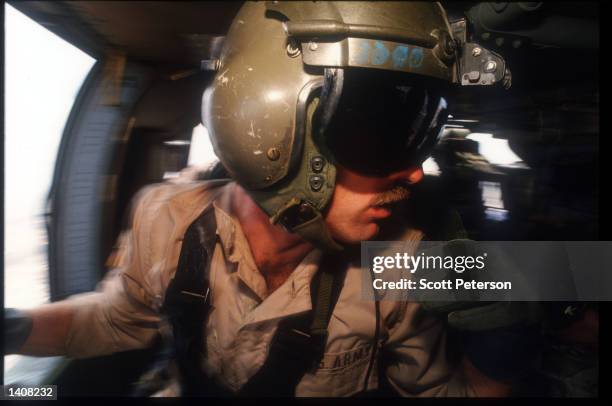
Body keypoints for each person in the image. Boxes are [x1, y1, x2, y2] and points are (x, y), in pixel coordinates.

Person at [5, 1, 532, 397]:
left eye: (421, 132)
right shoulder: (163, 217)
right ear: (271, 124)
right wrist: (14, 328)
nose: (414, 173)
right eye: (381, 132)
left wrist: (502, 345)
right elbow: (118, 318)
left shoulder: (406, 263)